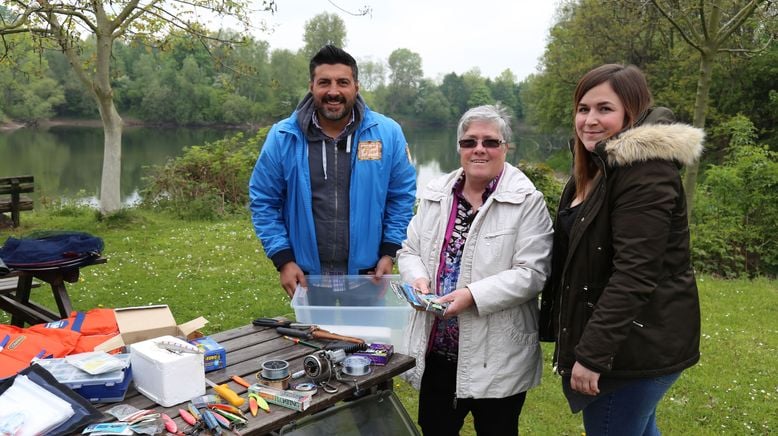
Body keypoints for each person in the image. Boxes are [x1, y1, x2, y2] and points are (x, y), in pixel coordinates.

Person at [539, 64, 704, 435]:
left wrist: (593, 354)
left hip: (633, 350)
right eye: (583, 109)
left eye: (604, 109)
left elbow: (635, 272)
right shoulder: (598, 168)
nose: (590, 120)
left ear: (631, 113)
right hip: (625, 343)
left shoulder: (645, 172)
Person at [397, 104, 553, 436]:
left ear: (506, 147)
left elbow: (532, 273)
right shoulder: (436, 194)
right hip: (437, 348)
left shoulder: (528, 200)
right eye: (469, 142)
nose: (479, 149)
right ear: (459, 148)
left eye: (490, 142)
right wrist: (418, 279)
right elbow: (409, 250)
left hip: (497, 355)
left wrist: (471, 295)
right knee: (436, 429)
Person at [249, 45, 417, 298]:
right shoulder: (283, 136)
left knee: (364, 339)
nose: (333, 92)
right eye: (324, 82)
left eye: (343, 82)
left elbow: (401, 197)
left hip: (368, 273)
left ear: (356, 87)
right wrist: (283, 259)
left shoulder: (388, 133)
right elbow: (264, 201)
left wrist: (389, 251)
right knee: (314, 338)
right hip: (306, 275)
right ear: (311, 86)